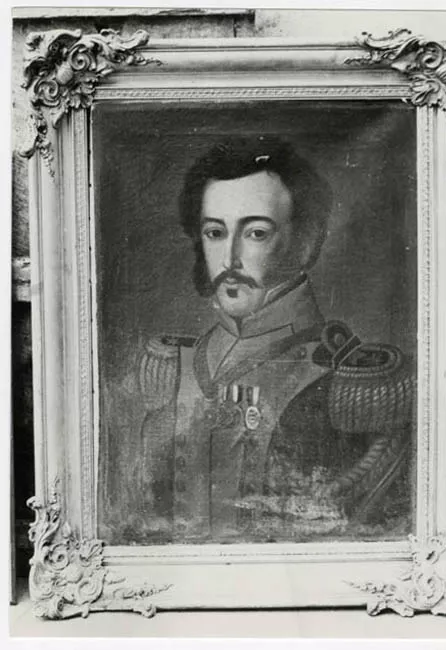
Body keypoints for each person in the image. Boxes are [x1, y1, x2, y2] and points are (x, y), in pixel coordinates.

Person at [111, 136, 415, 544]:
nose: (229, 259)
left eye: (255, 233)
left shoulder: (353, 383)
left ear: (304, 241)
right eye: (215, 232)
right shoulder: (177, 365)